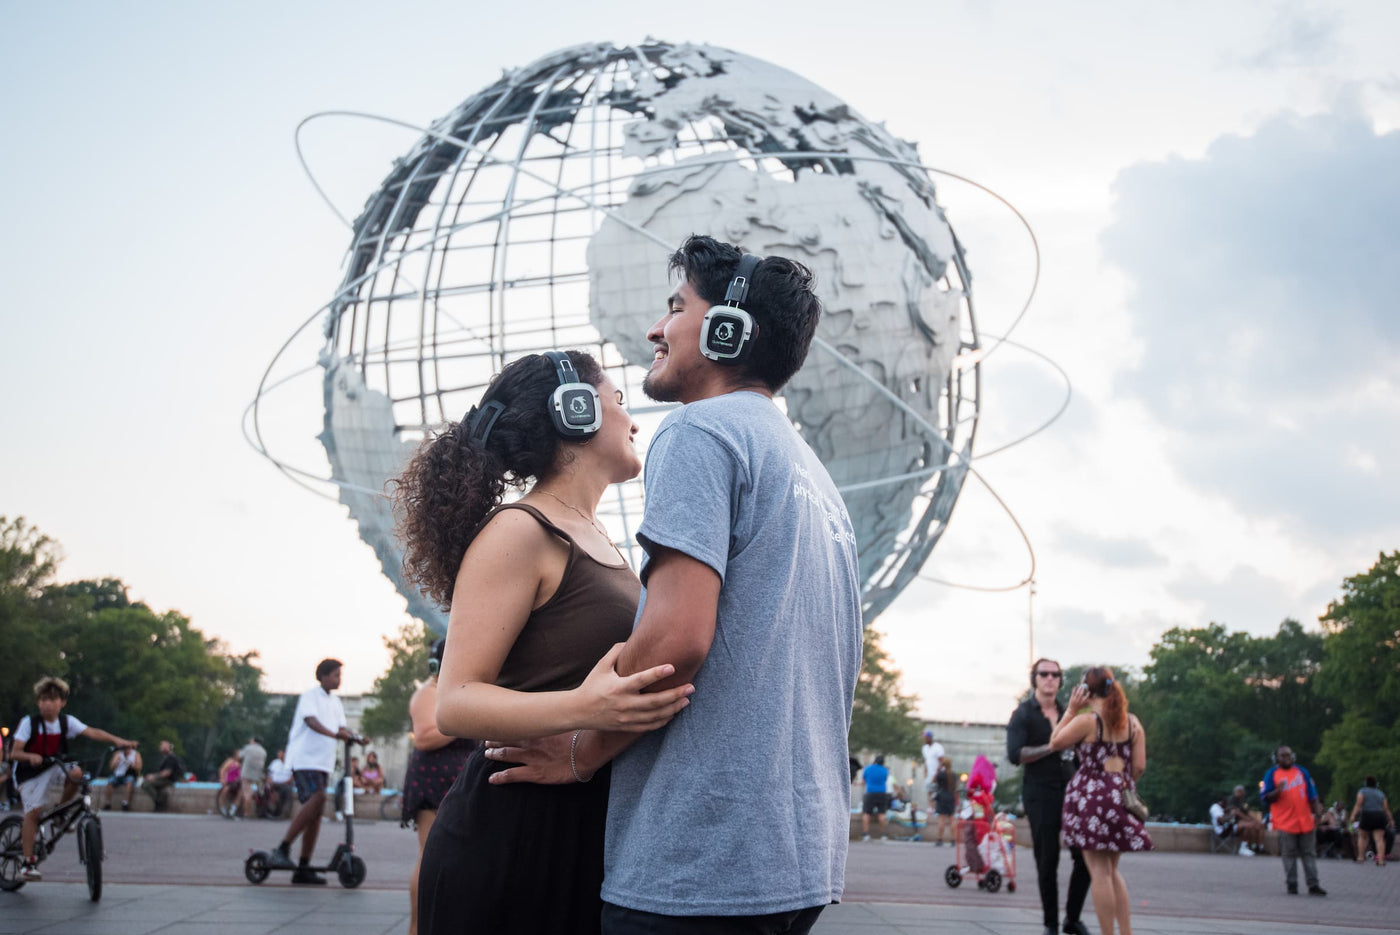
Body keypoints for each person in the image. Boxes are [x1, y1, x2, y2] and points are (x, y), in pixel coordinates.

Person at [488, 237, 863, 934]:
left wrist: (580, 748)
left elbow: (674, 640)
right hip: (799, 858)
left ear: (728, 330)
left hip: (700, 858)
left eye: (676, 307)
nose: (656, 330)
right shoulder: (816, 479)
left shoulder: (700, 431)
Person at [395, 349, 695, 934]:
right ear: (575, 411)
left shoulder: (602, 539)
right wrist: (587, 707)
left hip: (580, 832)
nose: (633, 421)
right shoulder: (521, 530)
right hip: (511, 839)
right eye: (618, 402)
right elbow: (454, 703)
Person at [1049, 667, 1153, 935]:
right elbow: (1139, 766)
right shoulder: (1133, 723)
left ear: (1085, 690)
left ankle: (1107, 933)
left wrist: (1071, 710)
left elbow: (1055, 742)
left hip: (1090, 799)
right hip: (1120, 795)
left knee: (1099, 871)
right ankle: (1125, 931)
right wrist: (1121, 782)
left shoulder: (1087, 722)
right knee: (1113, 869)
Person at [10, 676, 135, 882]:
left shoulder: (66, 722)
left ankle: (61, 812)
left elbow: (92, 732)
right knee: (33, 813)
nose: (47, 704)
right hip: (29, 772)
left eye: (52, 699)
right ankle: (27, 863)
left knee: (77, 774)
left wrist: (118, 741)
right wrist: (29, 756)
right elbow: (14, 753)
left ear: (62, 702)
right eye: (43, 699)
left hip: (54, 765)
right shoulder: (28, 723)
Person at [1007, 658, 1092, 935]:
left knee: (1086, 856)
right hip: (1040, 794)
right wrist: (1052, 747)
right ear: (1035, 678)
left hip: (1072, 792)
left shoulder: (1071, 711)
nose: (1050, 678)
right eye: (1044, 673)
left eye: (1056, 674)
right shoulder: (1023, 714)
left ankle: (1072, 918)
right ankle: (1051, 924)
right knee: (1048, 859)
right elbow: (1016, 755)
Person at [401, 638, 476, 935]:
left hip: (458, 779)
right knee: (428, 854)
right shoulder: (427, 693)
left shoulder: (456, 691)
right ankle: (418, 927)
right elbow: (424, 737)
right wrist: (464, 717)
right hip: (433, 780)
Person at [266, 658, 362, 884]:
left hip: (323, 762)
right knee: (317, 798)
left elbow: (341, 728)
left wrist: (355, 737)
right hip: (304, 759)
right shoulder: (309, 697)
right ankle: (282, 848)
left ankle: (303, 866)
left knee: (316, 812)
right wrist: (336, 735)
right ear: (324, 676)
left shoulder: (336, 702)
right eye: (336, 675)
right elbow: (311, 722)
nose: (339, 679)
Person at [1261, 745, 1326, 896]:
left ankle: (1313, 884)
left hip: (1305, 821)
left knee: (1309, 853)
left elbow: (1312, 795)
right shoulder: (1272, 774)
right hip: (1285, 822)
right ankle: (1292, 884)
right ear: (1277, 758)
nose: (1286, 758)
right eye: (1283, 756)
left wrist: (1317, 812)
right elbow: (1266, 798)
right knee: (1289, 854)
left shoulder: (1301, 772)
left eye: (1289, 755)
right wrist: (1278, 790)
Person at [1350, 775, 1394, 865]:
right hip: (1379, 816)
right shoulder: (1381, 793)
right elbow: (1386, 808)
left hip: (1367, 815)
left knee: (1362, 836)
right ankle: (1381, 860)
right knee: (1379, 839)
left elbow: (1358, 804)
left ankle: (1361, 857)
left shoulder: (1362, 791)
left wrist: (1353, 815)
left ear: (1366, 783)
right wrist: (1390, 819)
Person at [141, 739, 184, 811]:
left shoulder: (171, 758)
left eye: (161, 746)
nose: (160, 747)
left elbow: (167, 773)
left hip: (169, 780)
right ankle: (159, 803)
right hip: (166, 779)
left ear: (167, 747)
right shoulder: (167, 758)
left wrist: (153, 777)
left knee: (146, 784)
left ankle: (159, 803)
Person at [861, 755, 892, 841]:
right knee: (882, 814)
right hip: (882, 793)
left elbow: (864, 780)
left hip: (870, 792)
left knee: (867, 813)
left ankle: (865, 834)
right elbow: (885, 780)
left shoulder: (868, 768)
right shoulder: (885, 770)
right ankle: (883, 835)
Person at [1228, 783, 1266, 854]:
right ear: (1238, 792)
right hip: (1233, 823)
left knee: (1258, 825)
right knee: (1249, 826)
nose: (1244, 793)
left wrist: (1255, 820)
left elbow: (1247, 812)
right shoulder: (1232, 800)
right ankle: (1243, 847)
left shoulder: (1241, 801)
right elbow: (1236, 812)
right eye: (1242, 792)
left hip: (1242, 821)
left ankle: (1257, 846)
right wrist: (1248, 820)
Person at [103, 744, 141, 811]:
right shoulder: (118, 754)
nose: (127, 750)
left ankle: (125, 803)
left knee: (129, 781)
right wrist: (115, 763)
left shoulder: (135, 754)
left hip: (129, 775)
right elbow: (111, 767)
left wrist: (130, 765)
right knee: (110, 781)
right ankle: (107, 803)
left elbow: (139, 767)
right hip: (117, 775)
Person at [239, 735, 267, 819]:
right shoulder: (263, 751)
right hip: (259, 775)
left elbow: (240, 756)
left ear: (253, 741)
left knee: (247, 794)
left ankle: (246, 814)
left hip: (247, 774)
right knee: (261, 791)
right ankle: (261, 808)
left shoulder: (248, 748)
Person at [932, 755, 957, 846]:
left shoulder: (941, 774)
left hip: (942, 797)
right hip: (951, 797)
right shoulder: (954, 775)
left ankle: (940, 839)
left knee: (941, 819)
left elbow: (933, 781)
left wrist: (938, 770)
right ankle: (953, 839)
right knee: (952, 819)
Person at [921, 729, 946, 813]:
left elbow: (941, 761)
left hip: (938, 773)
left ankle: (938, 808)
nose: (924, 739)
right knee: (929, 790)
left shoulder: (938, 747)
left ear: (930, 738)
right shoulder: (924, 748)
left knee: (938, 791)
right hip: (929, 773)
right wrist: (925, 773)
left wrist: (937, 774)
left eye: (926, 738)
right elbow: (926, 761)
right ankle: (931, 807)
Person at [266, 748, 294, 819]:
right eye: (278, 753)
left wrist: (282, 783)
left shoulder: (291, 763)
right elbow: (269, 775)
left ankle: (284, 814)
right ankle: (271, 812)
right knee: (270, 792)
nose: (279, 755)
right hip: (274, 784)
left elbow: (292, 778)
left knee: (287, 791)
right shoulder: (274, 763)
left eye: (281, 753)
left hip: (286, 784)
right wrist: (270, 781)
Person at [216, 749, 242, 817]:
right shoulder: (230, 761)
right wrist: (222, 779)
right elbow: (222, 770)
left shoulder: (242, 764)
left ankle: (233, 809)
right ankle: (222, 807)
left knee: (240, 793)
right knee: (225, 790)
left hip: (238, 783)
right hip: (229, 781)